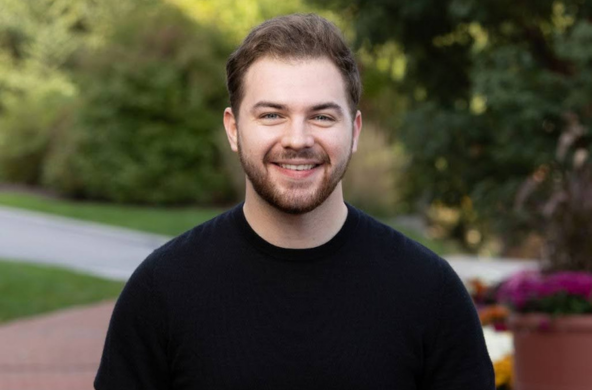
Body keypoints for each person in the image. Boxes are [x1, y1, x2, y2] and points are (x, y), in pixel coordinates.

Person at [94, 13, 495, 390]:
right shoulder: (161, 291)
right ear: (234, 129)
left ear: (354, 131)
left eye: (322, 117)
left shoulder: (430, 292)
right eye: (272, 115)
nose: (297, 139)